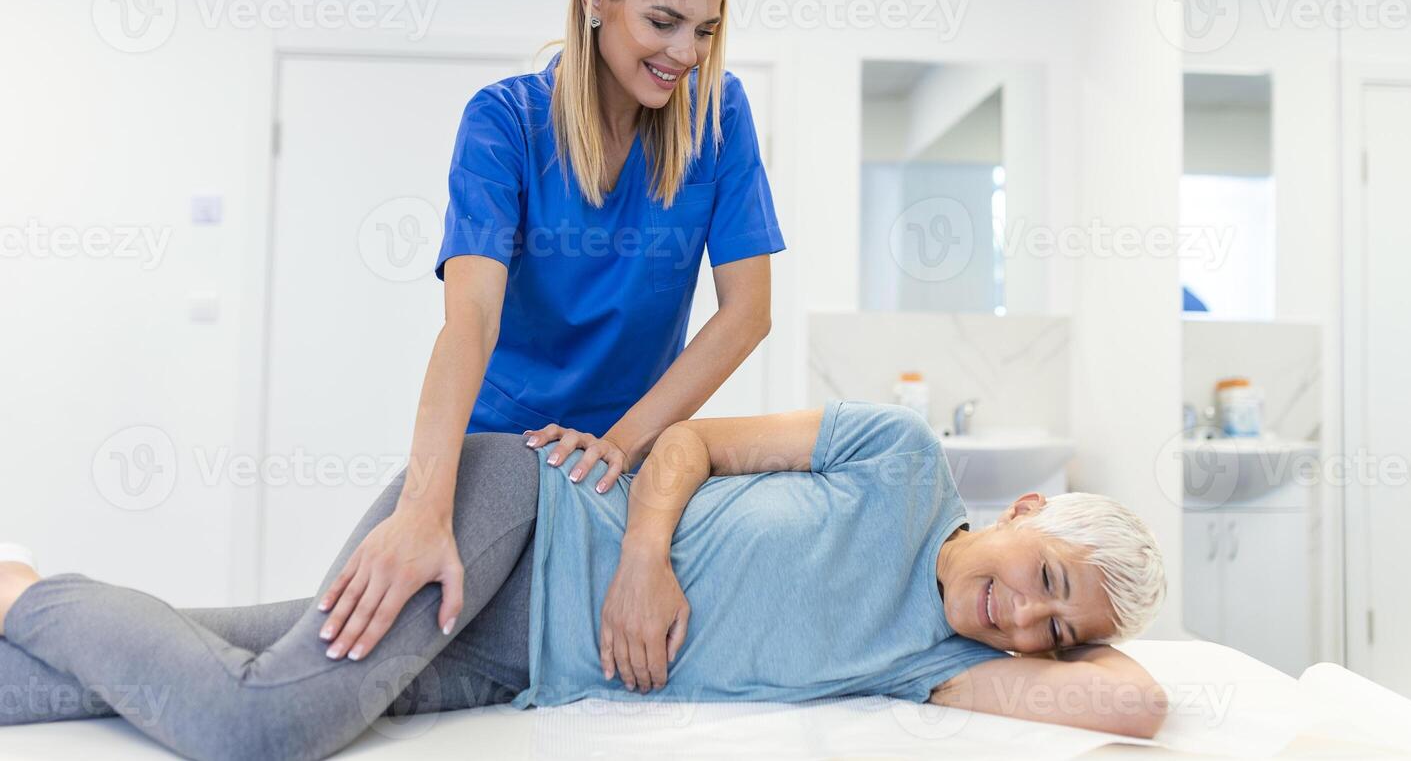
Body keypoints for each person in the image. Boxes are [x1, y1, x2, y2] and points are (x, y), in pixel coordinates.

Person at [0, 401, 1168, 759]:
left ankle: (20, 618)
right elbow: (694, 440)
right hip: (518, 511)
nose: (1026, 615)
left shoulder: (935, 666)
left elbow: (1134, 703)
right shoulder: (901, 462)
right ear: (1023, 509)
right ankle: (24, 585)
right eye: (1047, 574)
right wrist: (644, 563)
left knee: (161, 671)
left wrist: (1097, 624)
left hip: (516, 661)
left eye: (1057, 629)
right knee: (258, 720)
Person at [335, 0, 784, 658]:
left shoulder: (718, 114)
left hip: (622, 465)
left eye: (706, 30)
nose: (686, 53)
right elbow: (469, 318)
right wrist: (423, 505)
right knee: (344, 639)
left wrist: (623, 443)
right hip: (500, 455)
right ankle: (51, 611)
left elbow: (747, 312)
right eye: (663, 22)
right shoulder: (503, 121)